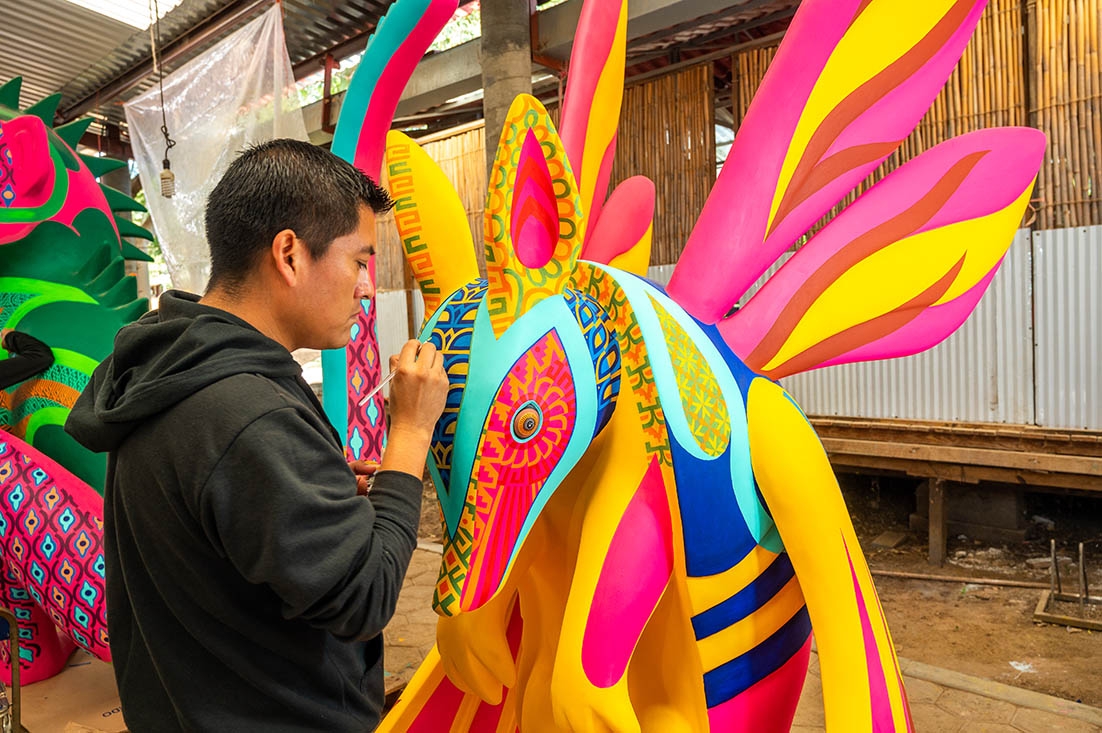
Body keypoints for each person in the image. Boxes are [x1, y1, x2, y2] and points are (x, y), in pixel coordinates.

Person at [65, 139, 449, 732]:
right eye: (359, 261)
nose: (367, 288)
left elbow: (214, 509)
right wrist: (411, 434)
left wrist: (307, 485)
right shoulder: (246, 412)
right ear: (290, 254)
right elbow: (363, 597)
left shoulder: (169, 366)